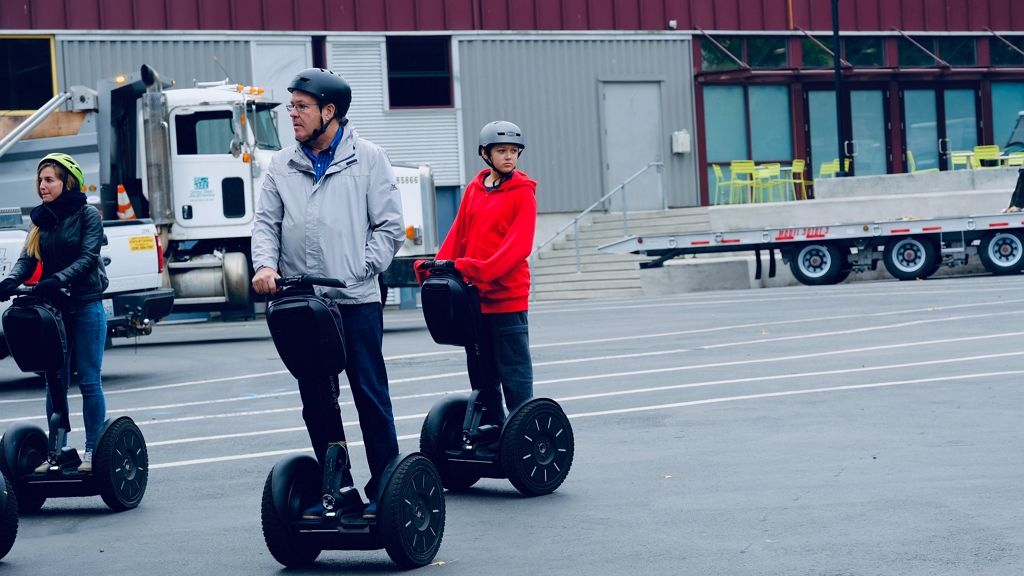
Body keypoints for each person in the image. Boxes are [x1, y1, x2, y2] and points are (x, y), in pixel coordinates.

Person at [251, 68, 404, 518]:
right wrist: (265, 265)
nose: (292, 115)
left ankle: (387, 488)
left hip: (355, 301)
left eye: (301, 106)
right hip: (304, 305)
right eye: (290, 106)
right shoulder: (282, 164)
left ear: (329, 112)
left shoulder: (369, 158)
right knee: (316, 400)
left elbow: (390, 227)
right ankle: (340, 489)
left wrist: (360, 269)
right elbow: (266, 224)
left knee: (369, 395)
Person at [418, 120, 538, 425]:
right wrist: (437, 269)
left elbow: (518, 247)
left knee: (514, 376)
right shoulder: (474, 189)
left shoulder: (523, 193)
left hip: (506, 299)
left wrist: (476, 269)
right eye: (502, 151)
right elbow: (459, 235)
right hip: (474, 299)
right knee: (482, 376)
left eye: (514, 151)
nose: (509, 157)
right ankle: (493, 431)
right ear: (485, 154)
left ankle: (522, 434)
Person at [0, 153, 109, 473]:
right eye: (40, 180)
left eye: (49, 180)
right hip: (54, 310)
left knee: (89, 381)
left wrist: (57, 279)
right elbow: (28, 259)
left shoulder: (88, 215)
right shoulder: (41, 219)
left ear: (67, 182)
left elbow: (89, 257)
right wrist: (10, 280)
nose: (42, 186)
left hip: (86, 304)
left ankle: (92, 450)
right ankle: (57, 451)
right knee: (55, 382)